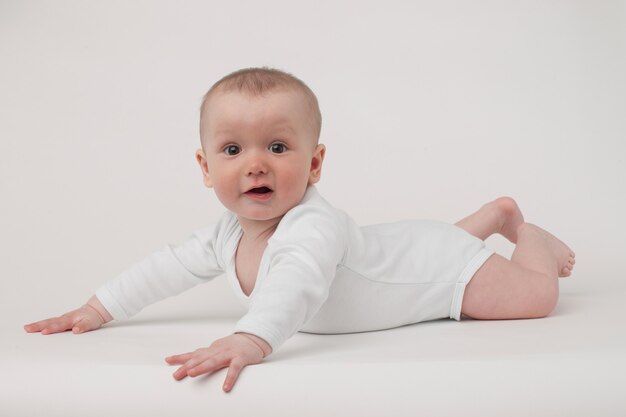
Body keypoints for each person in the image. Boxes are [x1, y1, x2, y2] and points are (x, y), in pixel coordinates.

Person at [24, 67, 576, 392]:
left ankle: (532, 238)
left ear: (314, 164)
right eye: (233, 149)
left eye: (279, 147)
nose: (255, 164)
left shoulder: (311, 228)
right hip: (413, 246)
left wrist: (251, 336)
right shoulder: (225, 233)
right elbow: (165, 266)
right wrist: (99, 308)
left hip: (446, 271)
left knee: (535, 297)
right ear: (205, 167)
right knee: (412, 253)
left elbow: (297, 283)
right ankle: (490, 215)